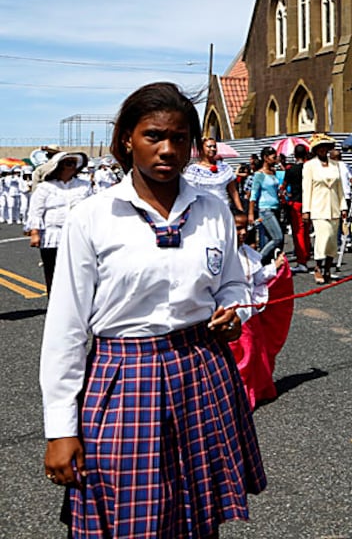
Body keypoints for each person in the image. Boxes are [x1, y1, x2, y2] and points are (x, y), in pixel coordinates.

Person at [40, 82, 264, 537]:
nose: (167, 149)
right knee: (129, 516)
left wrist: (231, 309)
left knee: (197, 516)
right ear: (127, 139)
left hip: (202, 372)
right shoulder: (94, 216)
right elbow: (65, 327)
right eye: (153, 136)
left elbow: (234, 282)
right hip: (124, 377)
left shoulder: (212, 210)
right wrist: (60, 428)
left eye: (179, 138)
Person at [229, 210, 295, 409]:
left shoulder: (249, 253)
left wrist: (276, 266)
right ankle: (240, 393)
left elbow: (258, 278)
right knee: (245, 356)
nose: (242, 233)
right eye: (237, 228)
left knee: (259, 352)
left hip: (251, 313)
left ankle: (259, 388)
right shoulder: (223, 254)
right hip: (235, 313)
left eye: (244, 228)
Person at [26, 151, 91, 292]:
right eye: (69, 163)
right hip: (53, 234)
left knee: (78, 273)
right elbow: (36, 211)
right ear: (59, 166)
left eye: (74, 163)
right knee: (53, 272)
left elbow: (92, 208)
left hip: (78, 234)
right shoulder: (45, 187)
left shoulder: (84, 185)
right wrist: (35, 232)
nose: (72, 166)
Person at [303, 135, 346, 284]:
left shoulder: (336, 165)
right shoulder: (309, 166)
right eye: (319, 147)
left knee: (333, 241)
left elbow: (340, 188)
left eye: (325, 147)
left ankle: (328, 269)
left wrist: (343, 206)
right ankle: (317, 268)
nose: (322, 150)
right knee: (323, 238)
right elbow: (306, 189)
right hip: (318, 207)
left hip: (334, 207)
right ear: (315, 150)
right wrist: (306, 210)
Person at [184, 137, 245, 212]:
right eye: (209, 146)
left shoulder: (224, 167)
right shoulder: (193, 170)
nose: (212, 149)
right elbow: (188, 192)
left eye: (214, 146)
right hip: (201, 211)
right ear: (201, 148)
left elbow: (233, 191)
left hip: (223, 209)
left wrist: (240, 209)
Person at [249, 148, 285, 263]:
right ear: (265, 158)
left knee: (268, 238)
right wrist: (250, 213)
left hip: (276, 208)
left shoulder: (274, 173)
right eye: (273, 157)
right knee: (277, 237)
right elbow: (253, 194)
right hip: (265, 209)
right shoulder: (259, 175)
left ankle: (266, 264)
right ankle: (258, 260)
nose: (275, 159)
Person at [282, 145, 312, 270]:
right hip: (309, 202)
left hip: (296, 202)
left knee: (298, 232)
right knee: (306, 231)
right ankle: (307, 255)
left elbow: (283, 186)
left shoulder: (291, 169)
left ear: (294, 155)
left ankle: (301, 261)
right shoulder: (309, 168)